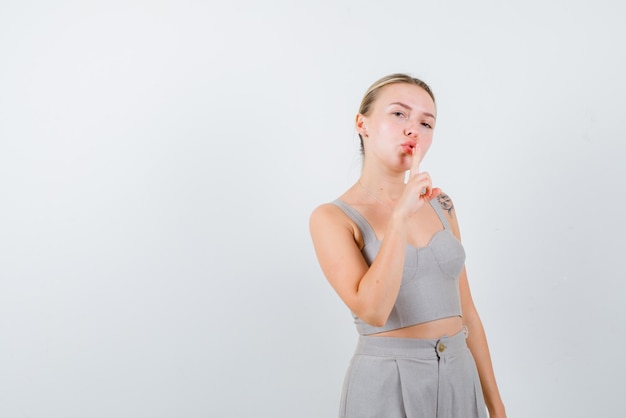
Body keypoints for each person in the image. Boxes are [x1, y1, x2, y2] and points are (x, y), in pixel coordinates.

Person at [309, 73, 506, 418]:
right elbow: (373, 310)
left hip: (460, 376)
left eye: (426, 122)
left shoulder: (441, 204)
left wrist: (497, 407)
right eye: (399, 114)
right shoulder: (332, 218)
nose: (413, 128)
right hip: (386, 383)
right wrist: (399, 218)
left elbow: (468, 313)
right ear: (363, 124)